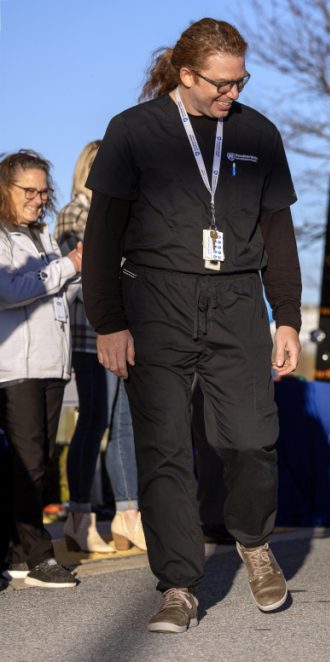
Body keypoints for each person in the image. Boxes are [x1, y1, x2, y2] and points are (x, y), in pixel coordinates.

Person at [82, 18, 302, 633]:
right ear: (186, 75)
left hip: (237, 301)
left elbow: (278, 233)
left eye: (241, 80)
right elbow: (101, 238)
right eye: (222, 83)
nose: (234, 93)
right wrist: (109, 321)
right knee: (166, 452)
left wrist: (286, 316)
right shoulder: (133, 131)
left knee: (251, 439)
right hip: (156, 300)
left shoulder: (258, 133)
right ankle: (178, 585)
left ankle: (253, 543)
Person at [56, 140, 146, 554]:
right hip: (90, 335)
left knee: (125, 426)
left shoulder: (118, 212)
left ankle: (128, 516)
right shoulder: (75, 212)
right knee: (93, 423)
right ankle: (79, 516)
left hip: (125, 332)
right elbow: (88, 271)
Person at [0, 149, 83, 587]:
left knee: (39, 462)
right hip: (16, 367)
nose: (37, 198)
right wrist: (68, 267)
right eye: (28, 190)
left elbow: (53, 297)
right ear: (5, 189)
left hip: (52, 364)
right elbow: (10, 290)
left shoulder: (43, 233)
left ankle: (16, 554)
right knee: (27, 465)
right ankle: (38, 556)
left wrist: (76, 277)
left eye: (42, 190)